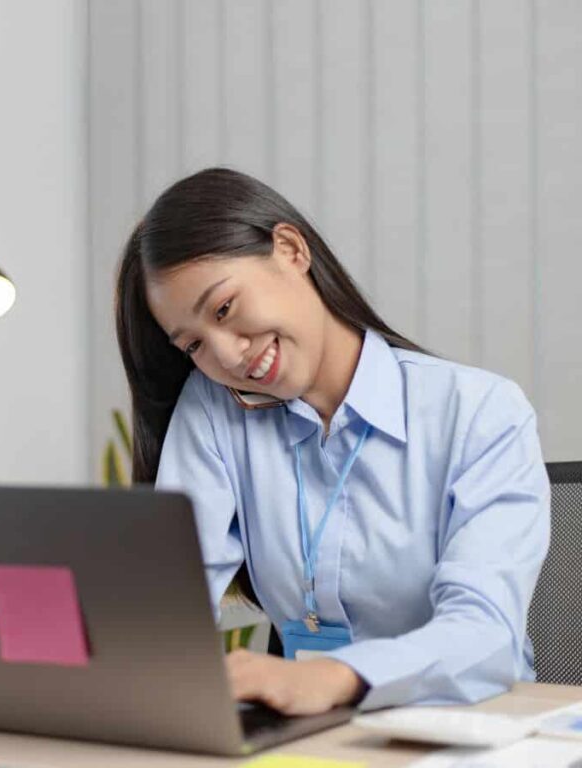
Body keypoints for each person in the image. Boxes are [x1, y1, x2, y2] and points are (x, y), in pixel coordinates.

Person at [115, 168, 550, 715]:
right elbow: (173, 600)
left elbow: (486, 635)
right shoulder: (214, 409)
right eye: (194, 345)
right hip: (319, 730)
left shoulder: (481, 412)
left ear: (291, 250)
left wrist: (333, 678)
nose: (226, 356)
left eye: (224, 309)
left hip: (470, 723)